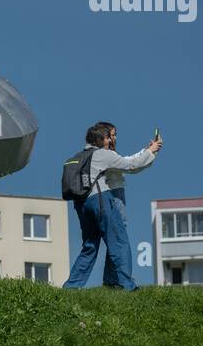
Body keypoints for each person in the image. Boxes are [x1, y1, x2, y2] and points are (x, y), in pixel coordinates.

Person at [64, 122, 162, 290]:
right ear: (101, 139)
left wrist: (147, 151)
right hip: (100, 201)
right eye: (109, 137)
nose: (111, 140)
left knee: (89, 246)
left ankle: (72, 286)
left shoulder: (78, 156)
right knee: (119, 241)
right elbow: (131, 165)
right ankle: (127, 285)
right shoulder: (103, 154)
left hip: (81, 204)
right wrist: (151, 151)